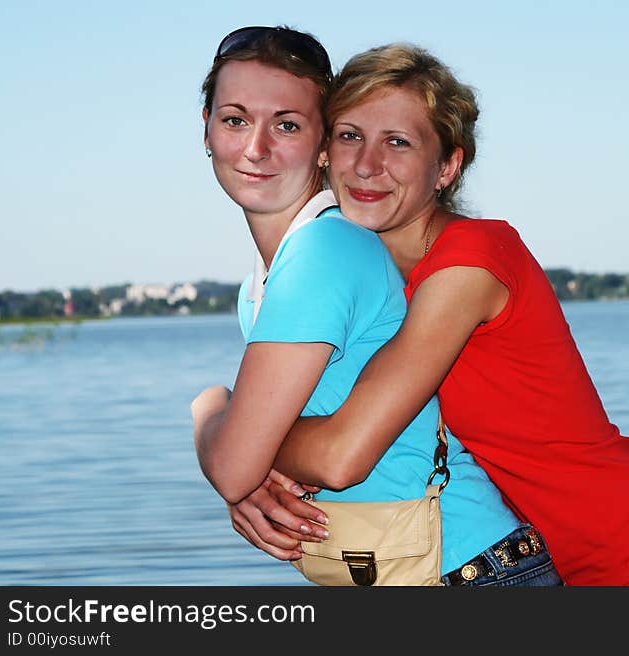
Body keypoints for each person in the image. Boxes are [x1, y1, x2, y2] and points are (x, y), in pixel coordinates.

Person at [234, 42, 629, 586]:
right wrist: (246, 468)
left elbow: (341, 454)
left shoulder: (471, 262)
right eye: (350, 135)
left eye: (398, 142)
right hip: (543, 568)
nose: (367, 164)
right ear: (323, 149)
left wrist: (243, 451)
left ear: (447, 167)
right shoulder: (358, 280)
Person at [190, 25, 562, 587]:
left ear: (321, 146)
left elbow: (240, 462)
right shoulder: (262, 283)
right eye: (235, 119)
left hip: (468, 570)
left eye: (286, 125)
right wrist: (247, 468)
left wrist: (208, 409)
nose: (255, 148)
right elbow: (245, 465)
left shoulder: (327, 249)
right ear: (207, 130)